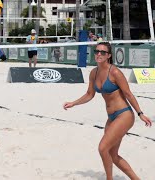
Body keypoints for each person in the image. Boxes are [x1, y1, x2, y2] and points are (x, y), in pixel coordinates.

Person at [63, 42, 152, 180]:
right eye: (97, 51)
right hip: (111, 117)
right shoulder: (94, 72)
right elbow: (89, 94)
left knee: (102, 148)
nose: (99, 54)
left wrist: (140, 113)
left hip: (124, 114)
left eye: (103, 52)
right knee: (112, 154)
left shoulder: (115, 72)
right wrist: (73, 103)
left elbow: (128, 94)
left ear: (109, 55)